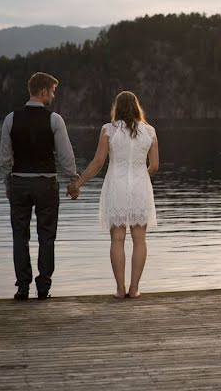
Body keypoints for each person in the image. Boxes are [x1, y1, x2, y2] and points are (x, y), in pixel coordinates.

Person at [68, 91, 159, 299]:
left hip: (116, 185)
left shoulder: (108, 130)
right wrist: (141, 176)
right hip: (140, 186)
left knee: (117, 239)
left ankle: (120, 289)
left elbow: (98, 163)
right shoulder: (150, 132)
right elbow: (154, 166)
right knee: (139, 239)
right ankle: (134, 289)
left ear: (116, 108)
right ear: (137, 107)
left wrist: (77, 184)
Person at [0, 72, 79, 301]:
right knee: (46, 236)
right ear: (43, 91)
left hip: (19, 183)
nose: (53, 95)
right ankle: (43, 286)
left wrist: (8, 182)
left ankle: (23, 286)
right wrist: (73, 179)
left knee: (19, 236)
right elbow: (65, 155)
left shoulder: (10, 119)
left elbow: (5, 158)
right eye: (52, 91)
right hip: (46, 183)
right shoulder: (54, 120)